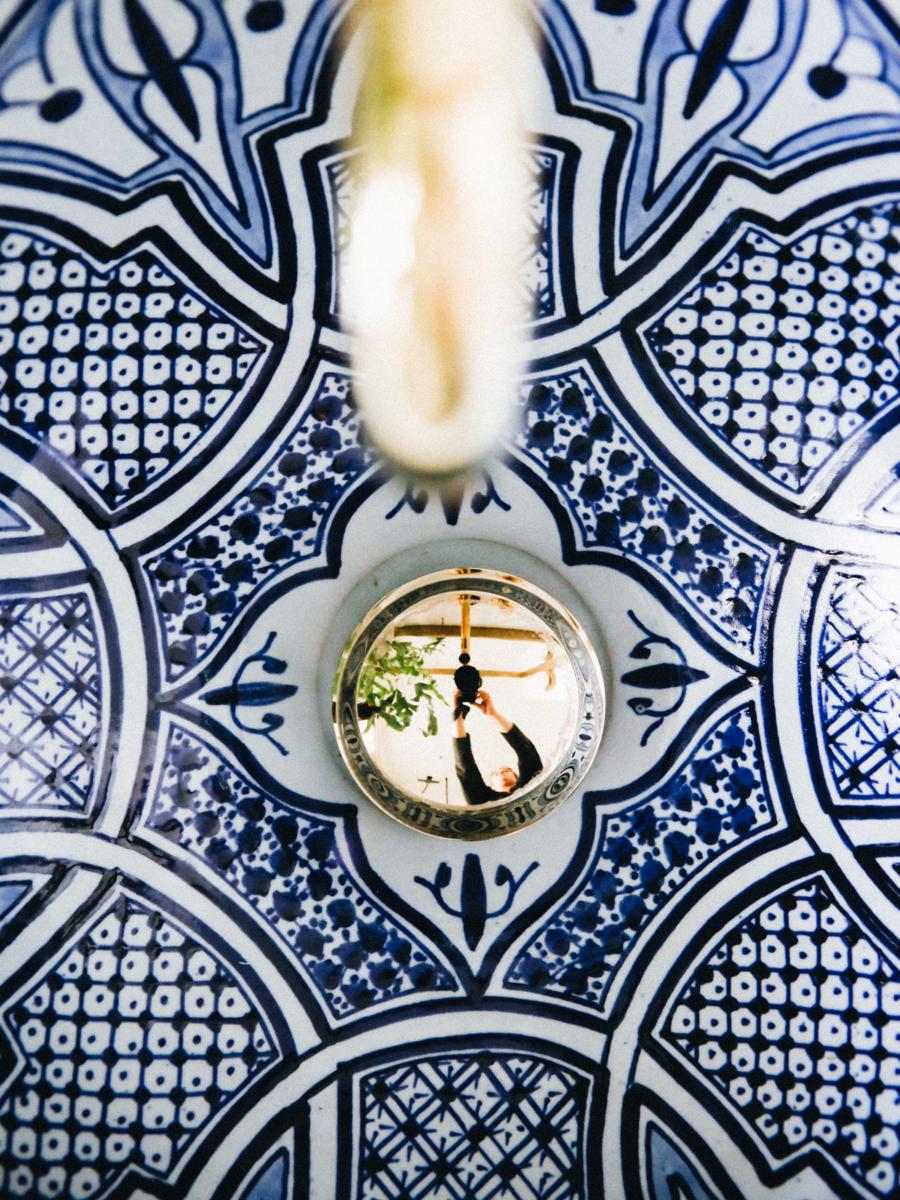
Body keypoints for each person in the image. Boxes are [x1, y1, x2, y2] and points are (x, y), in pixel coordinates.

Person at [451, 689, 542, 806]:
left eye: (506, 771)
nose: (501, 773)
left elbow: (526, 751)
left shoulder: (530, 785)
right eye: (497, 774)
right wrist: (457, 718)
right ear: (492, 786)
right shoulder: (481, 800)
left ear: (516, 777)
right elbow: (466, 769)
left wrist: (493, 714)